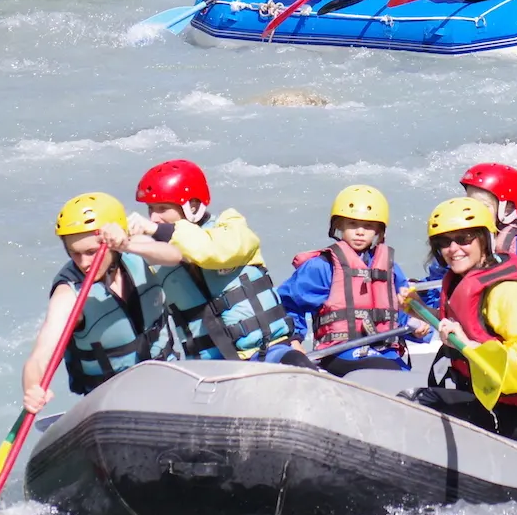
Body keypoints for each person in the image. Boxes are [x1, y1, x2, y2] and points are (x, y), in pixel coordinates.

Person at [404, 197, 517, 448]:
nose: (453, 249)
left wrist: (468, 347)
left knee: (420, 401)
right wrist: (415, 307)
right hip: (491, 400)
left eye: (464, 239)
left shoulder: (508, 291)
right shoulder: (466, 278)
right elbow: (473, 327)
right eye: (444, 242)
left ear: (484, 239)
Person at [117, 159, 308, 365]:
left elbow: (210, 251)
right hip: (212, 369)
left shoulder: (231, 227)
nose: (154, 218)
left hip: (268, 351)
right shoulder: (156, 260)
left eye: (162, 208)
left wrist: (156, 231)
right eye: (150, 209)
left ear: (192, 206)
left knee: (297, 362)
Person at [22, 193, 177, 413]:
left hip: (169, 380)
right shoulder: (68, 294)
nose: (84, 263)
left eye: (91, 252)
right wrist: (32, 388)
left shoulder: (136, 252)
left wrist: (128, 244)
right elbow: (41, 354)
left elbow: (176, 253)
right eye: (75, 254)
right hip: (113, 403)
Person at [279, 184, 432, 376]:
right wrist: (294, 342)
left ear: (378, 230)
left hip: (387, 352)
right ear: (339, 226)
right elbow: (288, 304)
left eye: (368, 226)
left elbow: (397, 311)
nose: (360, 232)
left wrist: (415, 327)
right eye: (352, 224)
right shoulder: (322, 266)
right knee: (386, 374)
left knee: (412, 383)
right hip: (341, 353)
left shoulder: (390, 268)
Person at [421, 163, 517, 306]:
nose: (473, 211)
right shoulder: (454, 244)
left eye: (482, 206)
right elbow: (435, 288)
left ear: (507, 209)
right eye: (470, 203)